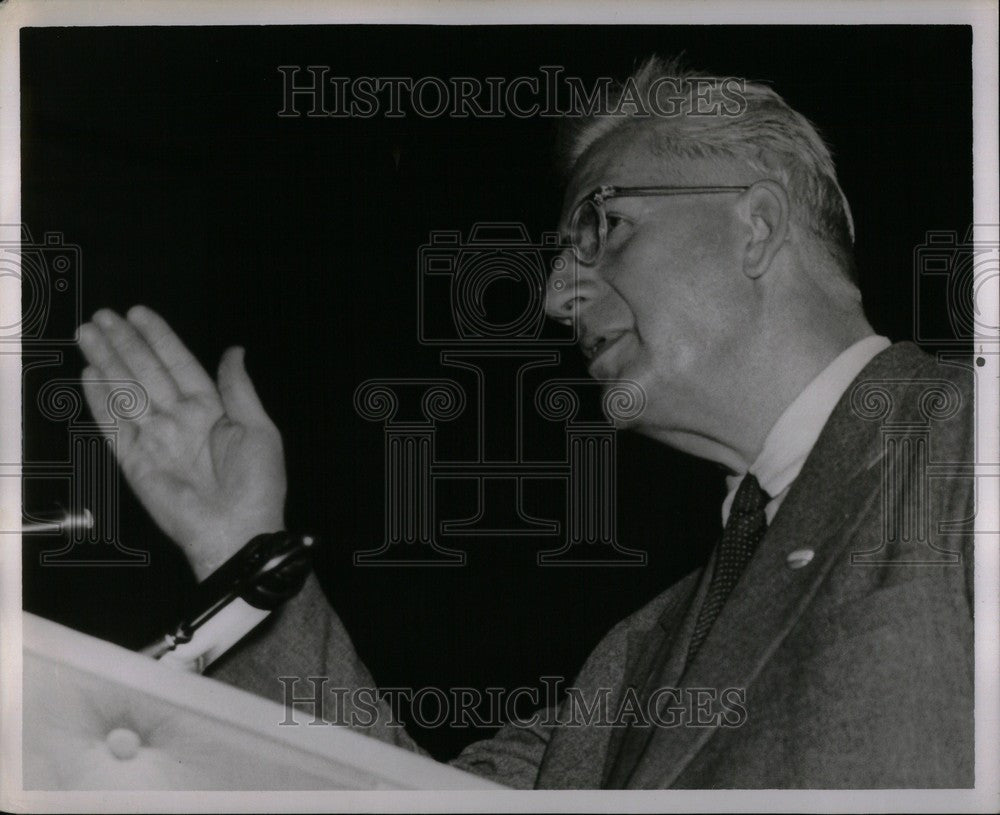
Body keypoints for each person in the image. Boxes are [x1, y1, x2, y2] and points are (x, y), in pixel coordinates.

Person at [76, 56, 974, 788]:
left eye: (603, 226)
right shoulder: (631, 660)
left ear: (757, 226)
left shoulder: (968, 445)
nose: (553, 297)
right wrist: (242, 546)